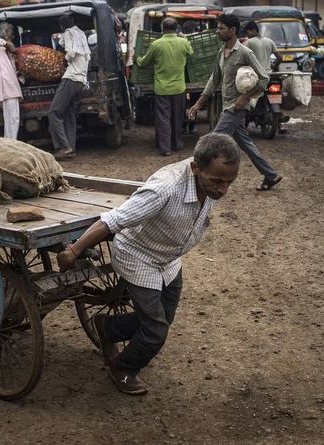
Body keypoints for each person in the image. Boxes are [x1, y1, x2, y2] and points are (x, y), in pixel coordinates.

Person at [57, 132, 240, 395]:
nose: (222, 190)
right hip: (138, 256)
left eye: (229, 182)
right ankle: (122, 368)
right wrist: (73, 251)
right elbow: (113, 220)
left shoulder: (208, 180)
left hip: (168, 258)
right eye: (217, 181)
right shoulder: (165, 189)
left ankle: (108, 327)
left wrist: (216, 183)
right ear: (195, 167)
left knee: (165, 317)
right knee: (155, 331)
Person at [188, 14, 283, 192]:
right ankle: (271, 175)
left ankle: (190, 178)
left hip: (235, 108)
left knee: (211, 141)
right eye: (218, 28)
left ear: (232, 30)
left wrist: (245, 97)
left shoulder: (245, 52)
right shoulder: (221, 52)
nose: (218, 31)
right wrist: (199, 102)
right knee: (247, 144)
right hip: (227, 105)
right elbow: (214, 79)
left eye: (221, 28)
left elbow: (264, 78)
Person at [134, 18, 193, 156]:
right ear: (177, 28)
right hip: (179, 87)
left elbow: (143, 62)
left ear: (162, 28)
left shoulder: (156, 44)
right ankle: (177, 144)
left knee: (163, 118)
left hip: (162, 88)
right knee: (178, 117)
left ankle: (165, 149)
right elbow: (191, 52)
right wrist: (184, 38)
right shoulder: (183, 43)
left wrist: (136, 59)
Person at [49, 14, 90, 160]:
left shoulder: (68, 33)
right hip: (81, 80)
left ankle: (64, 147)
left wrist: (64, 60)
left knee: (54, 112)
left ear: (61, 26)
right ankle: (71, 148)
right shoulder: (81, 34)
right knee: (69, 115)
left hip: (71, 78)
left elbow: (71, 52)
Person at [0, 22, 23, 139]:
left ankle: (9, 141)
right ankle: (12, 142)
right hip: (6, 84)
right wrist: (7, 44)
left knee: (11, 118)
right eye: (10, 33)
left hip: (10, 84)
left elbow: (13, 68)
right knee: (12, 118)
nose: (12, 36)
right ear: (4, 32)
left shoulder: (4, 50)